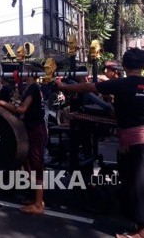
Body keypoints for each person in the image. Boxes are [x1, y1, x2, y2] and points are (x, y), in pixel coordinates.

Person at [55, 48, 144, 238]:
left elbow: (88, 88)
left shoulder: (120, 84)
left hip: (134, 143)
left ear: (125, 66)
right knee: (134, 184)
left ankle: (141, 232)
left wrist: (63, 86)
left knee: (137, 186)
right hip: (133, 142)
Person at [0, 64, 47, 215]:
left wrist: (2, 103)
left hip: (35, 130)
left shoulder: (33, 87)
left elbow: (22, 109)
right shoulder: (31, 88)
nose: (23, 73)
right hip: (31, 129)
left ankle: (39, 205)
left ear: (31, 73)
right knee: (29, 165)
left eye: (26, 70)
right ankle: (36, 198)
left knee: (35, 165)